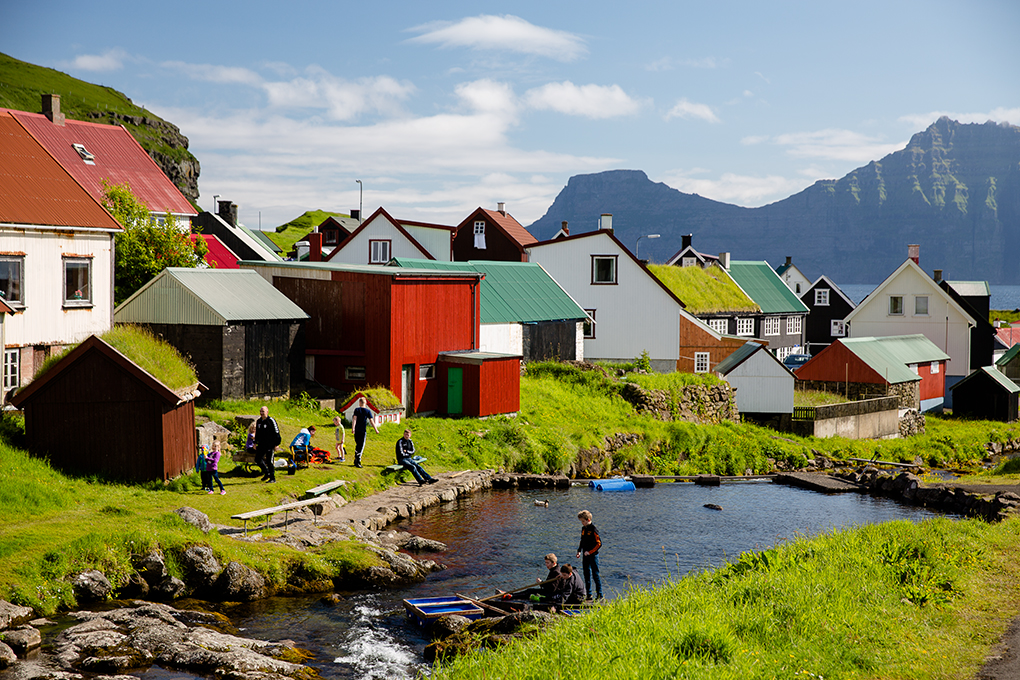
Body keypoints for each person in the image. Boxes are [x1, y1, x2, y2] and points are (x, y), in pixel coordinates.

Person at [576, 509, 603, 601]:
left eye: (583, 521)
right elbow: (582, 540)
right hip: (585, 555)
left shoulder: (593, 529)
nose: (582, 523)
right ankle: (589, 594)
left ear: (588, 520)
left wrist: (590, 552)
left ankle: (600, 595)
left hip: (593, 555)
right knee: (586, 574)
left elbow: (599, 544)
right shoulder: (584, 529)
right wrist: (579, 551)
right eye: (581, 521)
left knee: (595, 574)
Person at [254, 406, 282, 483]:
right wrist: (255, 443)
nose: (261, 413)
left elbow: (276, 433)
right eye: (260, 411)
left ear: (267, 412)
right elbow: (257, 433)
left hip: (270, 444)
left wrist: (276, 444)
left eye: (263, 411)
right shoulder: (259, 421)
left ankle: (272, 478)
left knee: (269, 461)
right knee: (257, 459)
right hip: (261, 444)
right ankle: (267, 473)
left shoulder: (271, 421)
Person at [351, 397, 379, 468]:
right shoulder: (368, 411)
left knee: (358, 445)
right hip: (363, 430)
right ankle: (358, 461)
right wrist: (376, 429)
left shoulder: (356, 410)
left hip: (357, 430)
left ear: (359, 403)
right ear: (365, 403)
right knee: (361, 446)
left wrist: (353, 428)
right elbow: (371, 421)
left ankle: (356, 459)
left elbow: (354, 419)